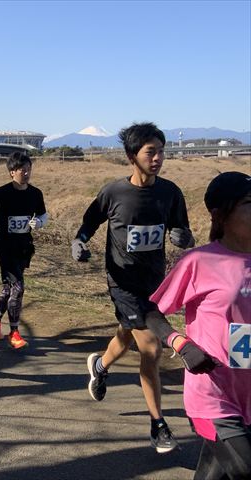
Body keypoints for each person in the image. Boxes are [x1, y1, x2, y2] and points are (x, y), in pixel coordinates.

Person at [72, 122, 195, 453]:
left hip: (155, 283)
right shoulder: (114, 192)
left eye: (161, 152)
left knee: (127, 334)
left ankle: (100, 366)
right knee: (151, 348)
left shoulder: (170, 192)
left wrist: (183, 237)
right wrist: (79, 243)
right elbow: (88, 224)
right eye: (150, 152)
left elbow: (184, 232)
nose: (158, 158)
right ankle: (158, 425)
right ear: (131, 156)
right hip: (122, 283)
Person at [146, 171, 251, 479]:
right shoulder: (200, 261)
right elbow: (151, 313)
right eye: (249, 203)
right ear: (221, 214)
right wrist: (181, 344)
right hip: (214, 393)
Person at [0, 152, 48, 350]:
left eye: (29, 169)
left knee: (9, 288)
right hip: (4, 246)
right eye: (22, 170)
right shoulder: (1, 192)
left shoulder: (36, 193)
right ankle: (14, 333)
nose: (26, 173)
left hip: (24, 247)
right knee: (18, 287)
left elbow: (43, 215)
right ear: (12, 172)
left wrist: (39, 222)